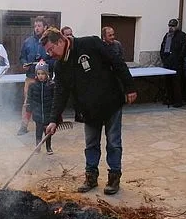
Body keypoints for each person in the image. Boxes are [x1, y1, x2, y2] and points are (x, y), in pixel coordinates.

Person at [42, 27, 137, 195]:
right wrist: (53, 119)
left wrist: (129, 87)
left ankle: (114, 178)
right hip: (88, 109)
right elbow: (60, 94)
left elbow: (117, 62)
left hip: (110, 102)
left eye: (51, 49)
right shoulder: (60, 66)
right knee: (91, 144)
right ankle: (91, 177)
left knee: (114, 142)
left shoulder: (89, 43)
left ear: (61, 41)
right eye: (47, 51)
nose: (50, 54)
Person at [17, 16, 52, 135]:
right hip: (31, 77)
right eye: (35, 26)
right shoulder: (28, 41)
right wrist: (24, 63)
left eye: (39, 26)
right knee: (28, 102)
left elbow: (54, 58)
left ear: (45, 27)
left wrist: (47, 64)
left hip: (46, 79)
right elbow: (22, 57)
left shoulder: (50, 41)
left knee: (47, 102)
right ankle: (24, 125)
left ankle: (47, 126)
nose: (36, 28)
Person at [25, 60, 56, 155]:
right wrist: (29, 108)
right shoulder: (32, 86)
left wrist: (55, 113)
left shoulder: (51, 85)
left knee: (48, 131)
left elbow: (55, 99)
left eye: (43, 73)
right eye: (38, 74)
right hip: (37, 113)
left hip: (47, 112)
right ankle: (38, 147)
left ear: (47, 74)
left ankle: (48, 147)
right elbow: (29, 98)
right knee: (38, 131)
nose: (41, 76)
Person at [159, 18, 186, 106]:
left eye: (173, 26)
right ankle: (169, 98)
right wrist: (164, 58)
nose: (171, 28)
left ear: (177, 26)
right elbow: (163, 47)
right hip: (167, 62)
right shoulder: (167, 35)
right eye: (170, 26)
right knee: (167, 82)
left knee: (176, 83)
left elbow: (183, 49)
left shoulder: (182, 36)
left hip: (177, 63)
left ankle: (178, 101)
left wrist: (179, 58)